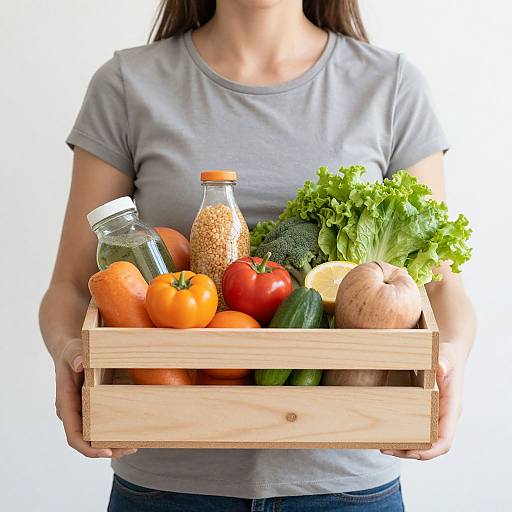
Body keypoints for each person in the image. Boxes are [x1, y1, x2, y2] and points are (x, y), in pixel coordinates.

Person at [39, 1, 476, 510]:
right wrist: (70, 353)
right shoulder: (126, 84)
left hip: (346, 481)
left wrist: (451, 360)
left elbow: (443, 286)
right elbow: (70, 286)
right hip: (168, 480)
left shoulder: (392, 86)